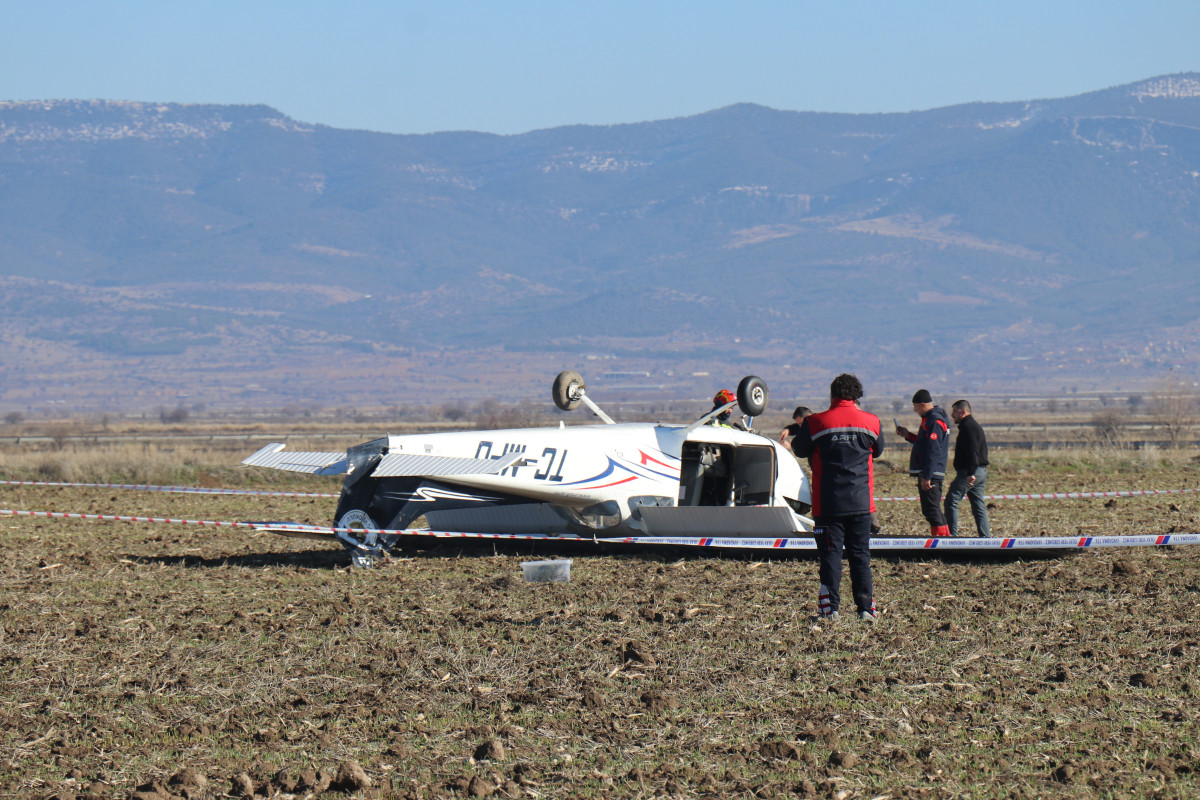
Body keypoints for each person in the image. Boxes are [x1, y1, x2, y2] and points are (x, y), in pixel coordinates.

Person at [792, 373, 884, 622]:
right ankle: (866, 609)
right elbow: (878, 451)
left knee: (830, 558)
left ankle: (829, 610)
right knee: (860, 557)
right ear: (857, 396)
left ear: (832, 395)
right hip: (861, 505)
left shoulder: (815, 422)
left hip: (828, 505)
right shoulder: (872, 422)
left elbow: (799, 449)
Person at [895, 389, 950, 537]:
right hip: (930, 471)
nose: (914, 410)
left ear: (923, 404)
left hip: (931, 473)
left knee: (932, 509)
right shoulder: (929, 420)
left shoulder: (935, 421)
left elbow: (933, 449)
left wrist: (927, 475)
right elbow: (923, 444)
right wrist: (907, 435)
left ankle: (942, 541)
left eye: (916, 407)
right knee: (931, 509)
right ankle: (943, 538)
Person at [944, 399, 990, 537]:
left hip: (971, 472)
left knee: (951, 500)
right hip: (981, 471)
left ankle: (952, 538)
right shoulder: (974, 425)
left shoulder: (967, 427)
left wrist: (970, 472)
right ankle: (986, 538)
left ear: (962, 412)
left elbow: (972, 451)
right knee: (978, 504)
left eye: (954, 412)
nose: (952, 415)